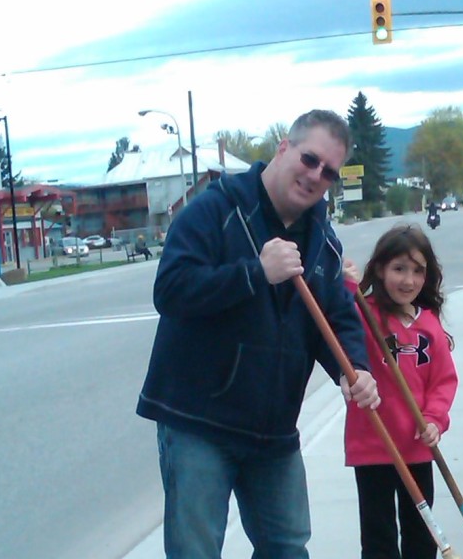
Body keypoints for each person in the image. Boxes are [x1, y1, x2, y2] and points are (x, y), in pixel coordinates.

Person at [137, 109, 380, 559]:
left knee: (287, 547)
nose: (315, 176)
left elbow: (336, 315)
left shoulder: (322, 241)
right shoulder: (214, 211)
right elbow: (170, 291)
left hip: (272, 429)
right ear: (284, 148)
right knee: (196, 551)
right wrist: (256, 273)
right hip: (198, 423)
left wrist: (353, 368)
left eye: (328, 172)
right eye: (310, 159)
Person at [342, 224, 458, 559]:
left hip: (417, 446)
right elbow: (338, 316)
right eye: (398, 269)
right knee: (379, 539)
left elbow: (443, 380)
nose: (408, 280)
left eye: (417, 271)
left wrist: (435, 420)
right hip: (373, 443)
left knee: (421, 536)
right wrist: (347, 284)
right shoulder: (364, 313)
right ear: (379, 269)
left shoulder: (429, 324)